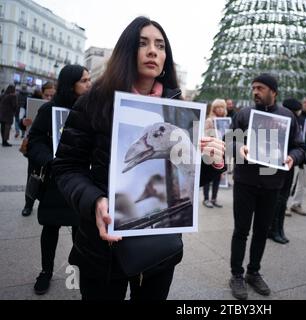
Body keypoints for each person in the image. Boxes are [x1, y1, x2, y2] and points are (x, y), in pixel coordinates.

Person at [52, 17, 225, 301]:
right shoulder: (94, 101)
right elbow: (67, 166)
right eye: (143, 43)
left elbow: (189, 179)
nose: (153, 51)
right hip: (102, 248)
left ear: (166, 57)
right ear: (127, 51)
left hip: (159, 250)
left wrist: (212, 160)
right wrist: (95, 200)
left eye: (160, 45)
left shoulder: (181, 110)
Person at [228, 74, 305, 300]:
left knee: (262, 230)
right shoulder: (244, 113)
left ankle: (253, 272)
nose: (255, 92)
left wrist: (293, 157)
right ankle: (236, 275)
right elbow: (230, 139)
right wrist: (238, 146)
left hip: (272, 184)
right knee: (241, 230)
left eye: (260, 88)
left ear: (274, 91)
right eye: (253, 88)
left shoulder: (288, 116)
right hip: (245, 182)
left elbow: (299, 147)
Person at [27, 65, 92, 295]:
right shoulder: (49, 110)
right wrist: (50, 160)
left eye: (89, 79)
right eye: (84, 80)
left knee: (80, 232)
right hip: (54, 183)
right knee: (50, 228)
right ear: (70, 84)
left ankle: (78, 273)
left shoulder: (90, 110)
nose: (89, 84)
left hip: (80, 182)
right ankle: (46, 272)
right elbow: (34, 141)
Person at [268, 98, 303, 244]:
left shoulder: (291, 120)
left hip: (287, 163)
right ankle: (274, 229)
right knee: (279, 199)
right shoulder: (285, 120)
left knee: (282, 199)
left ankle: (278, 228)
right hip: (279, 163)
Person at [20, 82, 56, 217]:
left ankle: (44, 202)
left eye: (52, 95)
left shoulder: (56, 106)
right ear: (41, 93)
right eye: (46, 95)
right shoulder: (32, 102)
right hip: (35, 146)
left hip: (50, 148)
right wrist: (23, 123)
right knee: (32, 176)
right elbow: (22, 119)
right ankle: (28, 204)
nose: (48, 98)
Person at [203, 98, 227, 208]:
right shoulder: (209, 120)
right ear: (214, 108)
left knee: (218, 175)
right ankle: (206, 199)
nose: (220, 109)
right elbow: (205, 135)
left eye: (222, 107)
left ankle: (214, 198)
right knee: (208, 176)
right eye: (218, 107)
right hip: (210, 152)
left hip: (221, 152)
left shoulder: (226, 121)